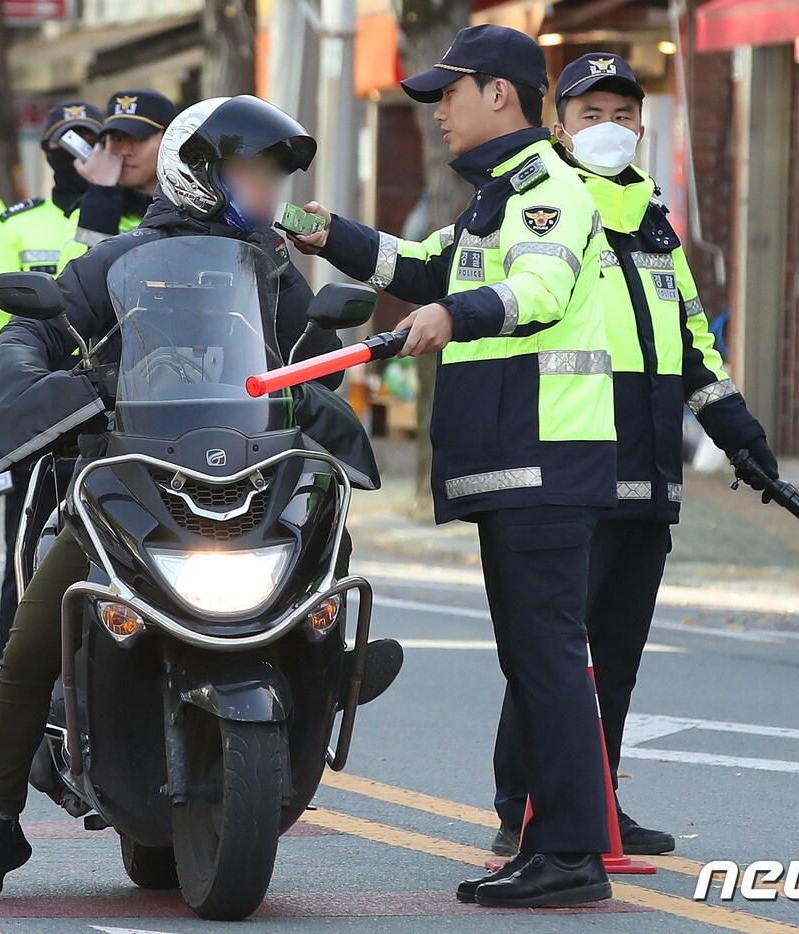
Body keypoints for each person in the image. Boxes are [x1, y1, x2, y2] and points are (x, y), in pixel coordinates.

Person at [0, 95, 400, 901]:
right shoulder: (114, 263)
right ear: (198, 177)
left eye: (273, 176)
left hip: (249, 478)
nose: (266, 192)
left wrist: (322, 378)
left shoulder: (269, 272)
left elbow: (316, 360)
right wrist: (28, 376)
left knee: (330, 536)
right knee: (29, 641)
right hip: (131, 484)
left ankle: (328, 659)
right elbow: (30, 332)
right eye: (251, 173)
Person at [291, 24, 618, 909]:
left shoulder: (548, 190)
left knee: (548, 661)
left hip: (545, 460)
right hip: (510, 463)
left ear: (501, 94)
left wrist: (456, 317)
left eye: (450, 92)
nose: (437, 110)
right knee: (532, 661)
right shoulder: (493, 198)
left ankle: (572, 856)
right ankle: (548, 847)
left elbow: (539, 292)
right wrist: (326, 234)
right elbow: (422, 266)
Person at [487, 52, 778, 860]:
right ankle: (525, 804)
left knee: (614, 655)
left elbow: (692, 345)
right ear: (558, 126)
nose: (610, 130)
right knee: (553, 653)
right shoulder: (548, 207)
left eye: (623, 115)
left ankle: (597, 798)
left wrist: (742, 438)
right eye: (591, 115)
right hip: (573, 462)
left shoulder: (655, 220)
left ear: (643, 126)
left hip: (649, 467)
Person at [0, 94, 173, 661]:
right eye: (112, 139)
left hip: (171, 414)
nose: (121, 150)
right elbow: (64, 299)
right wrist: (102, 199)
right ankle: (22, 687)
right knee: (38, 556)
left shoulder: (188, 214)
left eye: (137, 138)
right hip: (73, 408)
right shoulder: (92, 212)